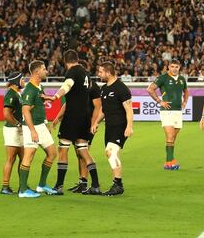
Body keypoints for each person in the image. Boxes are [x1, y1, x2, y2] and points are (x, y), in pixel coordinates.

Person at [48, 50, 99, 195]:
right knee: (83, 150)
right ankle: (95, 185)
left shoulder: (72, 72)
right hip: (84, 118)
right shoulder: (86, 74)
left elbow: (67, 85)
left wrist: (56, 96)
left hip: (71, 117)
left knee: (63, 149)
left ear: (65, 61)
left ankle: (58, 186)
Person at [91, 61, 133, 196]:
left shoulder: (121, 88)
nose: (99, 74)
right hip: (109, 127)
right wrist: (96, 122)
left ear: (108, 73)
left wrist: (129, 126)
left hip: (120, 126)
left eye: (101, 71)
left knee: (110, 152)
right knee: (111, 154)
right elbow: (104, 109)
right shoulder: (104, 88)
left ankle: (118, 184)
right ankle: (117, 183)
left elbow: (129, 109)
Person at [19, 60, 58, 197]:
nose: (46, 71)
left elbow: (40, 103)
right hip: (32, 127)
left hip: (41, 125)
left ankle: (41, 185)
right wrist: (33, 131)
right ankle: (23, 190)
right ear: (36, 72)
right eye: (44, 69)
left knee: (52, 153)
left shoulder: (38, 87)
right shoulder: (29, 89)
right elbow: (25, 110)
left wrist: (46, 123)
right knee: (29, 156)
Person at [147, 59, 189, 170]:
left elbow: (186, 91)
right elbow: (150, 89)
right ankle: (170, 163)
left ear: (179, 68)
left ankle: (169, 161)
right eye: (172, 66)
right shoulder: (163, 78)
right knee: (170, 137)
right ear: (168, 67)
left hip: (178, 111)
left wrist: (185, 101)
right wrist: (160, 101)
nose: (174, 69)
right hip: (167, 111)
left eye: (176, 67)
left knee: (173, 138)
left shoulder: (181, 79)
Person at [1, 72, 25, 195]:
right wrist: (17, 124)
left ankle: (23, 185)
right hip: (12, 130)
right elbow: (6, 114)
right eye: (22, 79)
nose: (24, 80)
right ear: (16, 81)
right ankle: (5, 187)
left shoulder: (17, 93)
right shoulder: (11, 94)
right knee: (11, 158)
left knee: (23, 158)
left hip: (18, 130)